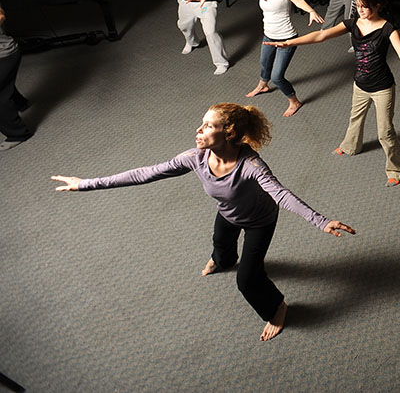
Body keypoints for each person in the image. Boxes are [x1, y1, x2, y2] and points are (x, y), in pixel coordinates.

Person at [50, 103, 355, 341]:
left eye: (209, 126)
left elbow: (281, 195)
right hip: (227, 213)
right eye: (202, 122)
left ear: (230, 133)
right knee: (220, 246)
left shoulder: (251, 165)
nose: (199, 129)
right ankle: (222, 259)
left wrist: (321, 221)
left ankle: (276, 307)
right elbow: (144, 173)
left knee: (247, 280)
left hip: (259, 220)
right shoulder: (195, 157)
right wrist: (86, 183)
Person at [264, 0, 400, 186]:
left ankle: (397, 170)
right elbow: (320, 36)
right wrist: (290, 42)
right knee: (355, 117)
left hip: (382, 87)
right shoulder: (352, 23)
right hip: (360, 83)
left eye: (364, 7)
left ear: (377, 6)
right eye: (358, 7)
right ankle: (351, 146)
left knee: (385, 132)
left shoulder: (387, 28)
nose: (360, 10)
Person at [189, 0, 323, 117]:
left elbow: (298, 1)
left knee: (277, 77)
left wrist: (311, 11)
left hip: (287, 39)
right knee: (264, 64)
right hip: (268, 36)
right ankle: (262, 86)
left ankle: (294, 101)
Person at [0, 3, 32, 150]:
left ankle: (17, 133)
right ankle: (20, 103)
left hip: (4, 55)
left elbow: (1, 16)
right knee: (4, 83)